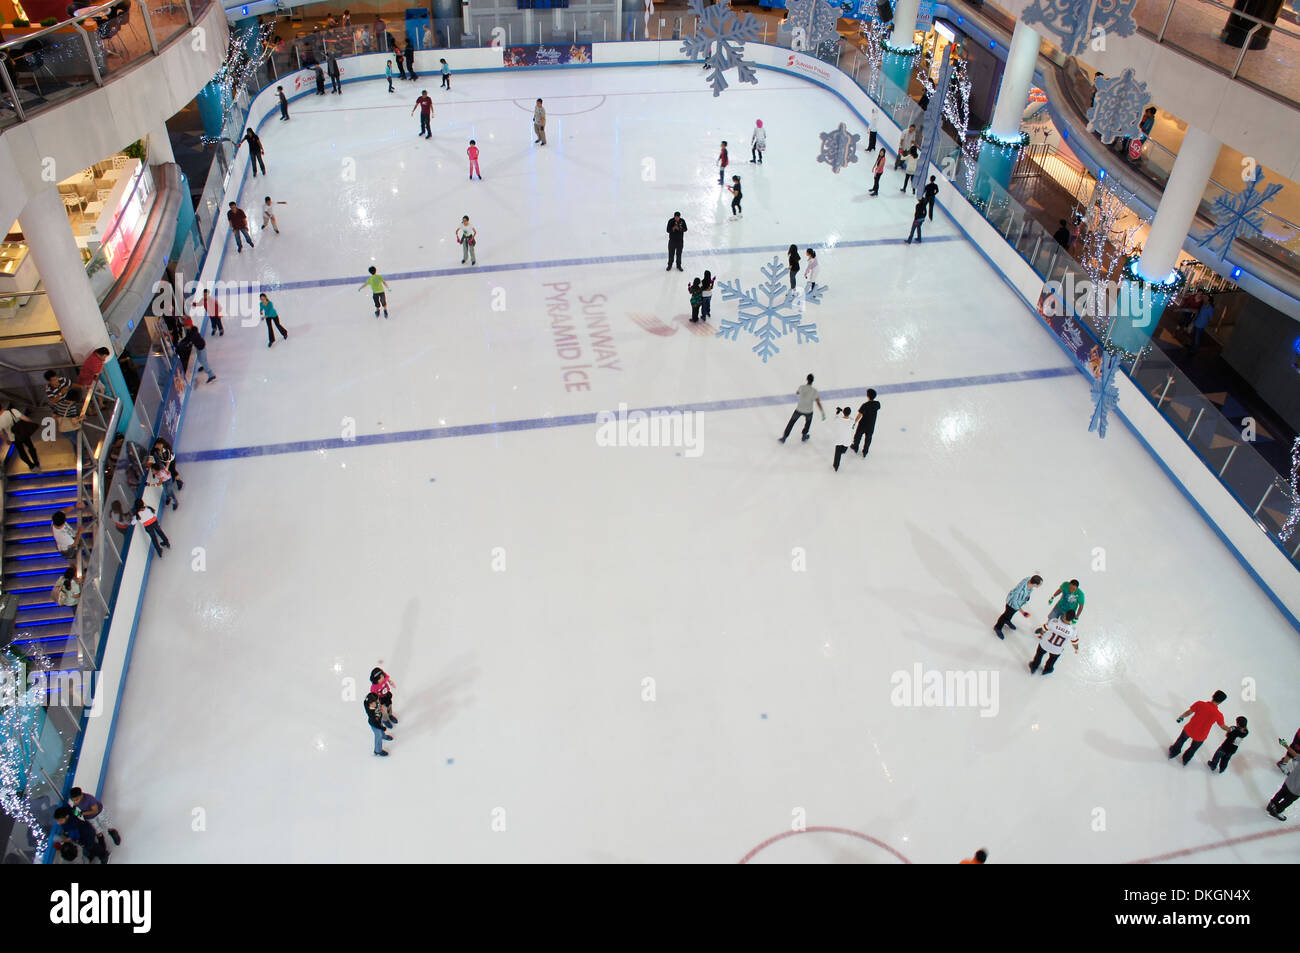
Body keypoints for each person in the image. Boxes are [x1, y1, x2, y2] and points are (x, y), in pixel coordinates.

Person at [1168, 690, 1229, 765]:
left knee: (1181, 740)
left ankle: (1174, 751)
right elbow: (1222, 726)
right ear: (1220, 702)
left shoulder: (1200, 704)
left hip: (1190, 729)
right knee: (1193, 748)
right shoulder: (1218, 715)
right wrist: (1230, 729)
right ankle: (1186, 759)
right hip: (1201, 735)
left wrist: (1181, 717)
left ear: (1213, 696)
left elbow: (1189, 712)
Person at [1028, 608, 1078, 675]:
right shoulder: (1073, 630)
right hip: (1057, 649)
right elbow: (1074, 642)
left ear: (1065, 615)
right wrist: (1076, 649)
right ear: (1073, 619)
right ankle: (1047, 669)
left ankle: (1034, 666)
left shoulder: (1054, 621)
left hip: (1045, 644)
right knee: (1052, 660)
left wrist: (1041, 634)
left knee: (1039, 655)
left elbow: (1043, 629)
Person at [779, 374, 824, 443]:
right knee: (808, 423)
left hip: (799, 409)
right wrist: (822, 412)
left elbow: (797, 392)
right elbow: (818, 402)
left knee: (791, 423)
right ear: (813, 381)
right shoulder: (814, 391)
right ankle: (804, 435)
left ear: (807, 379)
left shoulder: (801, 387)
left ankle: (784, 437)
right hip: (808, 411)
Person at [993, 574, 1042, 639]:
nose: (1039, 586)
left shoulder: (1029, 580)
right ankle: (997, 627)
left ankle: (1007, 620)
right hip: (1012, 604)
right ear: (1035, 584)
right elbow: (1014, 601)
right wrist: (1022, 612)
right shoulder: (1020, 591)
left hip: (1019, 602)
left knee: (1010, 614)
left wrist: (1027, 597)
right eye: (1039, 584)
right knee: (1005, 615)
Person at [0, 403, 40, 470]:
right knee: (30, 447)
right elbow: (25, 418)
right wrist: (32, 423)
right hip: (23, 433)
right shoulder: (12, 411)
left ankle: (31, 466)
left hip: (13, 438)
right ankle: (36, 462)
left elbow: (1, 434)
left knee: (21, 451)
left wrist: (6, 440)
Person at [179, 319, 217, 383]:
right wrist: (181, 342)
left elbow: (189, 340)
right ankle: (204, 366)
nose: (185, 327)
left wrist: (184, 344)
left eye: (186, 325)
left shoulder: (193, 333)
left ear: (189, 325)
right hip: (198, 347)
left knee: (203, 361)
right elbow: (187, 338)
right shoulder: (190, 330)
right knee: (200, 359)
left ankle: (211, 375)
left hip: (201, 348)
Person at [850, 388, 881, 458]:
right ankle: (865, 451)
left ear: (868, 396)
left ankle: (855, 447)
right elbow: (878, 408)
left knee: (858, 436)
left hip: (863, 424)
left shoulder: (865, 405)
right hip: (871, 425)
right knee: (868, 438)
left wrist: (854, 422)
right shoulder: (877, 404)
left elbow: (860, 415)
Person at [831, 407, 855, 471]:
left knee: (837, 454)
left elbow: (835, 418)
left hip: (839, 439)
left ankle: (836, 466)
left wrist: (838, 413)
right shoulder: (852, 421)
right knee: (843, 451)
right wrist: (843, 411)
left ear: (843, 412)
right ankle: (842, 451)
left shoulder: (838, 419)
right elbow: (851, 418)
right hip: (847, 440)